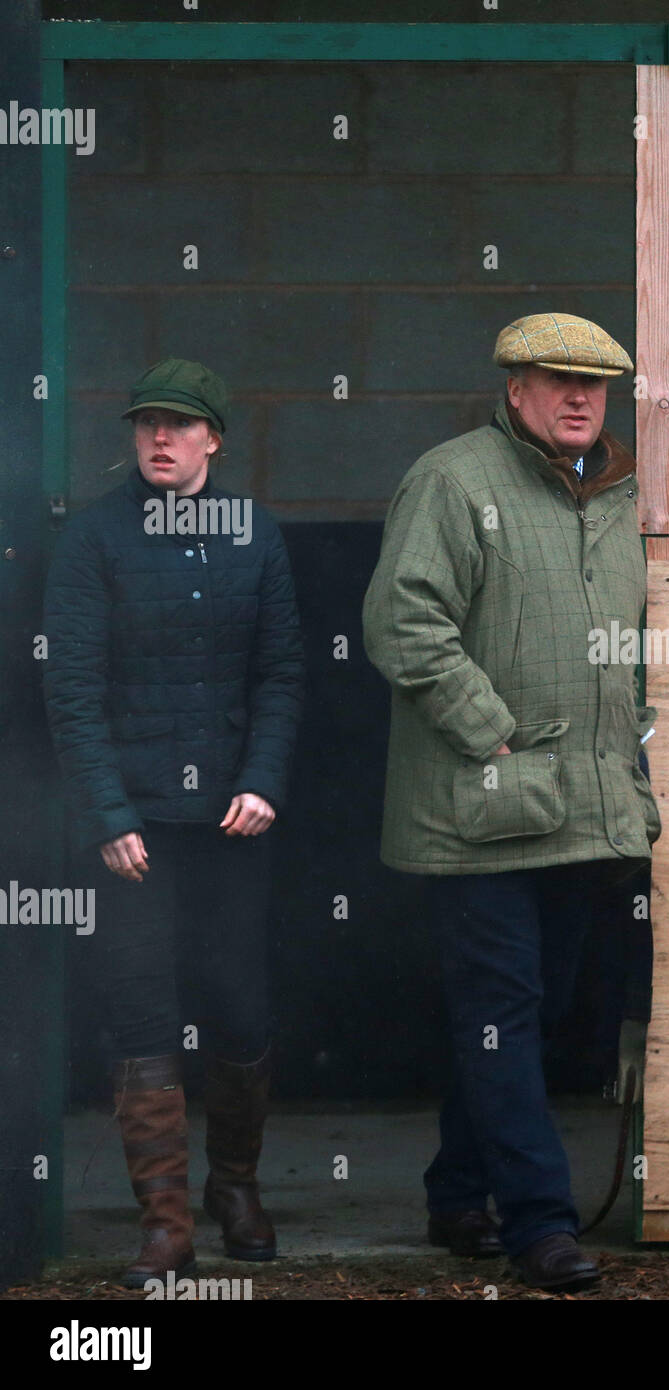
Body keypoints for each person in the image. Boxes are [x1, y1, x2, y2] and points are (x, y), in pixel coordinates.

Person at [363, 312, 661, 1292]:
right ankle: (541, 1222)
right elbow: (402, 624)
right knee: (504, 1009)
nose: (580, 399)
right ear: (514, 389)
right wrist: (487, 726)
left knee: (522, 1021)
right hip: (479, 811)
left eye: (595, 385)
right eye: (555, 381)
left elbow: (632, 641)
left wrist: (637, 746)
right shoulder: (453, 481)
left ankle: (458, 1192)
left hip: (581, 810)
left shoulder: (614, 497)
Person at [42, 358, 305, 1288]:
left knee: (239, 1005)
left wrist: (265, 781)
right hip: (134, 829)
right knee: (142, 1010)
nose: (160, 439)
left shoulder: (255, 534)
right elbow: (70, 689)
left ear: (214, 440)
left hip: (232, 820)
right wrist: (108, 814)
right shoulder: (94, 540)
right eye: (147, 423)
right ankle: (164, 1222)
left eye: (180, 426)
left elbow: (279, 673)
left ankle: (235, 1189)